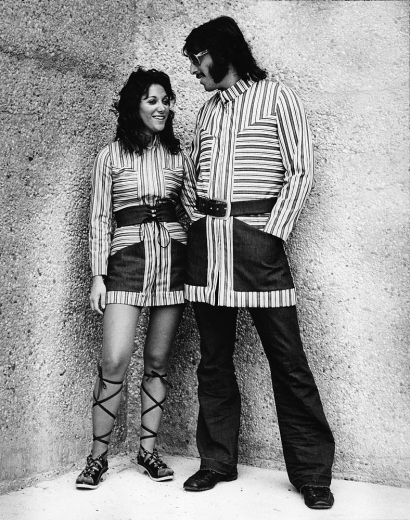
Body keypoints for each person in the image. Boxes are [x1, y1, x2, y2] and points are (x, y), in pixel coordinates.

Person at [181, 16, 336, 510]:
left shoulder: (277, 97)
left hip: (257, 242)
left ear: (223, 53)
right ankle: (217, 460)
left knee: (288, 361)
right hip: (209, 248)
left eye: (198, 58)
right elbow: (190, 175)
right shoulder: (206, 112)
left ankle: (312, 473)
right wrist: (196, 224)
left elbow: (300, 169)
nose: (194, 70)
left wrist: (271, 235)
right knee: (213, 359)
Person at [76, 67, 194, 489]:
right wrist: (98, 276)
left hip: (173, 261)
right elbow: (99, 218)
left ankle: (148, 451)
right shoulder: (111, 155)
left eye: (166, 100)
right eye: (152, 100)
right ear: (134, 105)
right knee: (115, 360)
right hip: (126, 261)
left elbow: (192, 208)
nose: (161, 107)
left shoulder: (181, 154)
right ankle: (97, 458)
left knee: (158, 362)